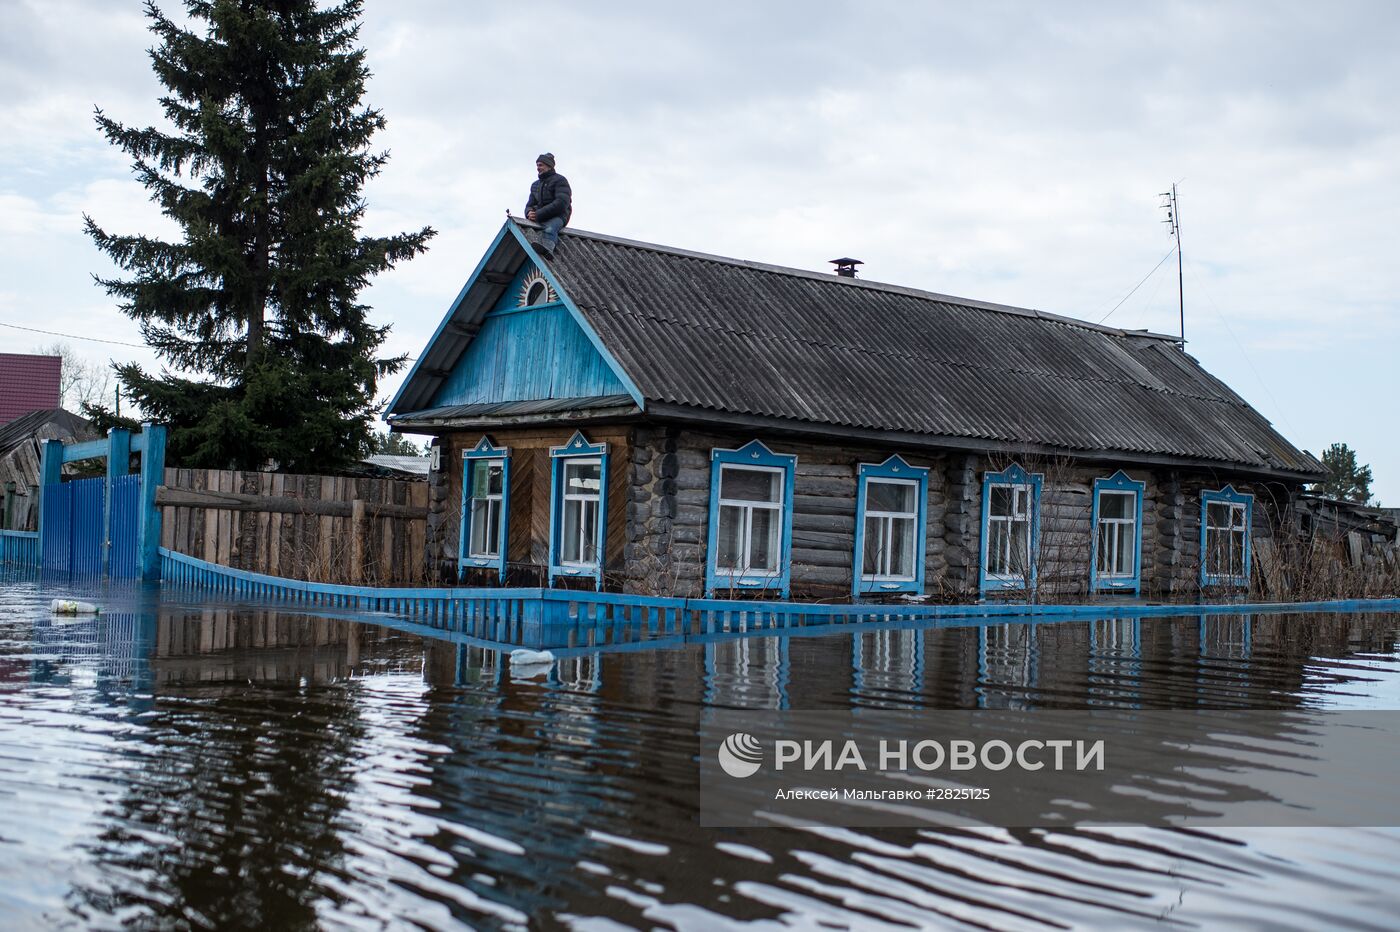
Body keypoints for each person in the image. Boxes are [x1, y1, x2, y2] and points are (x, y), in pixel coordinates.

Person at [525, 153, 571, 258]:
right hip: (540, 216)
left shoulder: (560, 180)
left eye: (540, 165)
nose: (538, 168)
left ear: (549, 166)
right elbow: (530, 204)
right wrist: (529, 213)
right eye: (537, 165)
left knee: (549, 229)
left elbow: (561, 203)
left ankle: (548, 250)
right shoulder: (535, 185)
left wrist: (538, 214)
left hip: (559, 216)